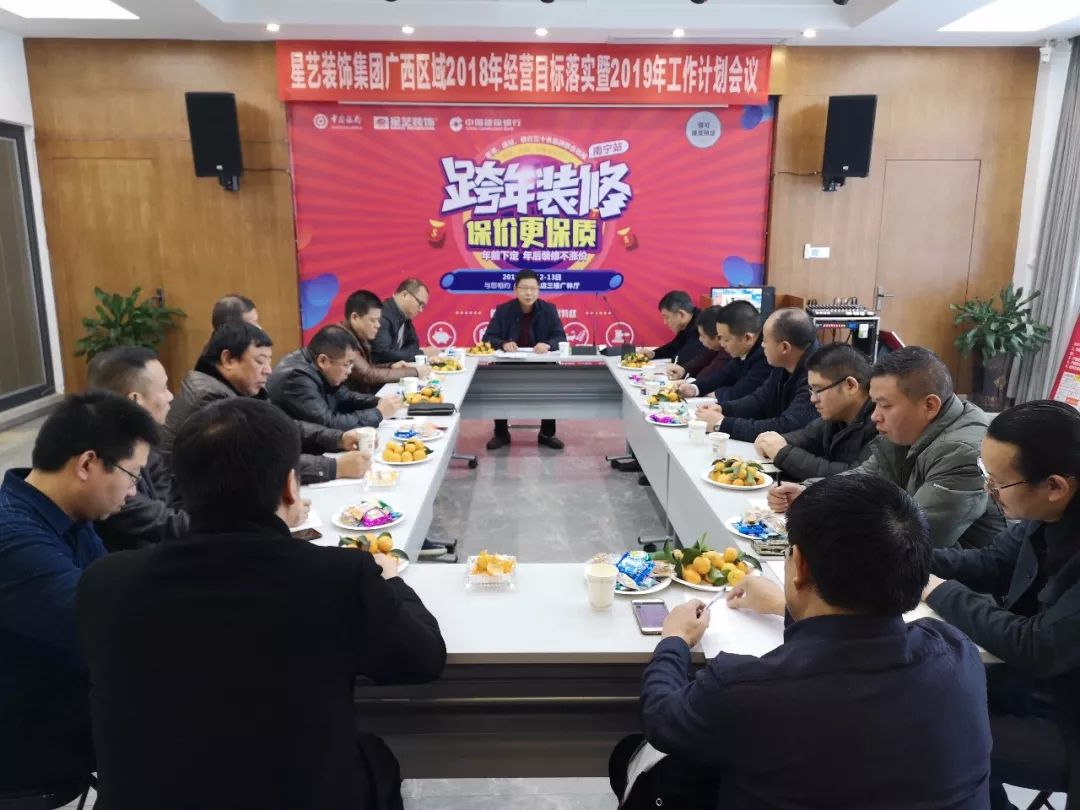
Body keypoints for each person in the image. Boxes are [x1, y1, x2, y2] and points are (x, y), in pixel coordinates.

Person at [77, 398, 447, 810]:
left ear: (182, 487)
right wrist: (389, 579)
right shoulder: (337, 576)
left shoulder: (105, 582)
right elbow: (422, 659)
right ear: (290, 486)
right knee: (374, 761)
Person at [612, 475, 991, 809]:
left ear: (801, 564)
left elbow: (662, 718)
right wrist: (787, 604)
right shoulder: (957, 653)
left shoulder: (745, 689)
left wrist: (675, 639)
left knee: (636, 759)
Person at [922, 401, 1080, 808]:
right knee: (920, 687)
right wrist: (908, 553)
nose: (987, 491)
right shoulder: (1047, 512)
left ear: (1055, 486)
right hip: (1033, 684)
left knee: (927, 735)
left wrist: (937, 590)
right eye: (985, 475)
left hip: (1067, 716)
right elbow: (991, 563)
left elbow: (1038, 646)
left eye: (996, 482)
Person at [0, 393, 158, 796]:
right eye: (132, 475)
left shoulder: (68, 512)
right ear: (87, 464)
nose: (133, 492)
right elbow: (108, 627)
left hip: (68, 703)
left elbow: (114, 594)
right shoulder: (12, 537)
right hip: (31, 743)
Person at [769, 346, 1005, 549]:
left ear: (929, 406)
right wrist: (810, 493)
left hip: (954, 576)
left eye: (885, 405)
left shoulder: (962, 452)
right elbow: (864, 477)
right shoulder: (909, 430)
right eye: (874, 405)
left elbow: (916, 535)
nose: (874, 417)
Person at [162, 321, 370, 486]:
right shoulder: (210, 402)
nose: (268, 370)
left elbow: (280, 427)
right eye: (260, 361)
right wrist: (334, 467)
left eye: (269, 361)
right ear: (228, 360)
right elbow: (261, 460)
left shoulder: (232, 389)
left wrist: (337, 439)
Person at [87, 346, 189, 551]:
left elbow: (171, 501)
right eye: (164, 388)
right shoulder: (101, 461)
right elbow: (165, 523)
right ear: (134, 400)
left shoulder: (142, 443)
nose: (170, 396)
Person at [754, 343, 878, 481]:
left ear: (850, 386)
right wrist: (775, 441)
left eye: (818, 390)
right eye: (811, 390)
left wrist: (783, 453)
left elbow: (853, 476)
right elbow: (806, 437)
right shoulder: (836, 415)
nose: (813, 399)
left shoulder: (881, 422)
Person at [694, 307, 819, 442]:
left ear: (784, 347)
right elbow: (760, 399)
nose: (762, 345)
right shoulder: (784, 362)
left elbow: (787, 426)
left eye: (765, 341)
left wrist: (722, 424)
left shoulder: (817, 375)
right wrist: (723, 409)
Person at [482, 269, 568, 450]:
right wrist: (503, 343)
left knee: (551, 383)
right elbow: (488, 338)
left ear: (539, 290)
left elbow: (560, 337)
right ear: (515, 289)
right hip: (508, 365)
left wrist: (548, 344)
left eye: (533, 289)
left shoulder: (549, 310)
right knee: (497, 384)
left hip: (542, 365)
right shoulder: (503, 310)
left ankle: (547, 434)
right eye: (524, 288)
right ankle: (501, 433)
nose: (529, 293)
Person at [267, 324, 401, 431]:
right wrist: (378, 413)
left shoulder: (315, 363)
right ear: (323, 361)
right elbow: (328, 423)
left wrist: (380, 401)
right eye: (347, 364)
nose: (350, 371)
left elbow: (345, 396)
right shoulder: (296, 377)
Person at [677, 300, 771, 404]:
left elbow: (743, 392)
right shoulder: (743, 348)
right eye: (720, 338)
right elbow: (724, 375)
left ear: (747, 338)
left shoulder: (766, 355)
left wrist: (716, 393)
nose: (722, 344)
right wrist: (694, 388)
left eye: (726, 339)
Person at [341, 289, 430, 395]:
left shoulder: (355, 335)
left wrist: (391, 366)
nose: (378, 325)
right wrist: (414, 371)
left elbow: (367, 367)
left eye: (378, 320)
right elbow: (367, 375)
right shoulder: (341, 339)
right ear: (355, 318)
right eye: (373, 320)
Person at [371, 278, 436, 365]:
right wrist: (420, 354)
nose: (421, 310)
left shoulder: (405, 316)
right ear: (404, 295)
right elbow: (384, 355)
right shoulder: (382, 315)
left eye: (423, 306)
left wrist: (403, 353)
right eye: (420, 303)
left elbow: (414, 345)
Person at [645, 290, 706, 369]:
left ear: (682, 314)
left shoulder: (702, 326)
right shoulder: (690, 320)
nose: (665, 322)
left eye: (667, 317)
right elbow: (674, 347)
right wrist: (653, 354)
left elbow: (681, 360)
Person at [663, 304, 724, 383]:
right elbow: (702, 359)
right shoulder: (715, 348)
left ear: (718, 337)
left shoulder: (729, 354)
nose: (700, 339)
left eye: (702, 336)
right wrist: (684, 370)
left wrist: (694, 384)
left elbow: (704, 377)